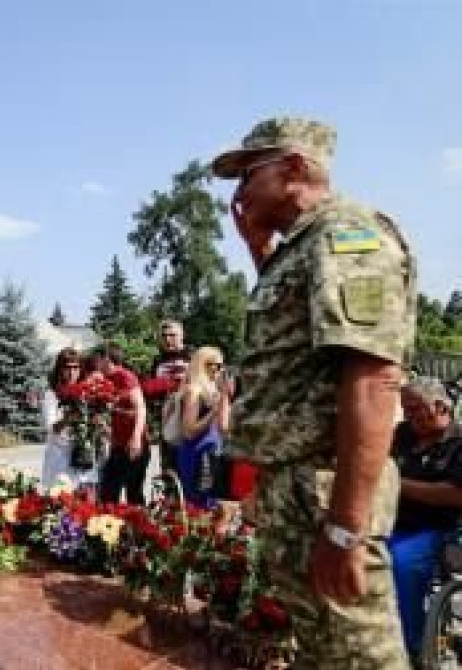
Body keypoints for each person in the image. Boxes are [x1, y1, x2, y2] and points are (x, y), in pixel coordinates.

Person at [212, 116, 416, 669]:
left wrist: (346, 527)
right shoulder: (299, 247)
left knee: (361, 657)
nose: (238, 193)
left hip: (328, 488)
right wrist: (259, 253)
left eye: (248, 173)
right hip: (300, 488)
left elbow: (372, 377)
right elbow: (294, 347)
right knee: (322, 651)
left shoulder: (346, 235)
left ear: (296, 168)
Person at [389, 378, 462, 663]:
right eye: (405, 410)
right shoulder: (403, 434)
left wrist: (398, 484)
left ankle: (412, 646)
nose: (408, 417)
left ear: (441, 407)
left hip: (437, 528)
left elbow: (456, 496)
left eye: (414, 409)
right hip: (391, 521)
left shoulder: (458, 443)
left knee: (400, 561)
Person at [175, 346, 232, 509]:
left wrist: (225, 397)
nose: (221, 370)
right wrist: (214, 411)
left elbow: (224, 426)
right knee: (199, 506)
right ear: (204, 365)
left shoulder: (212, 389)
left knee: (212, 504)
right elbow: (189, 431)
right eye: (218, 365)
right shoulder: (194, 390)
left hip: (212, 451)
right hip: (197, 454)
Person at [96, 342, 148, 505]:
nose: (96, 363)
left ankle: (140, 528)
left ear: (106, 358)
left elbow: (140, 408)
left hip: (134, 443)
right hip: (117, 445)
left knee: (133, 492)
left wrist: (136, 438)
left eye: (98, 358)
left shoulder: (126, 376)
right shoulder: (104, 379)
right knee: (108, 492)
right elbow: (110, 411)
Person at [40, 348, 100, 490]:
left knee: (86, 504)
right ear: (60, 369)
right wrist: (68, 418)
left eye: (76, 367)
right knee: (60, 502)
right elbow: (51, 428)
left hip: (83, 456)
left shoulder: (87, 392)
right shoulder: (52, 395)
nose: (72, 372)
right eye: (67, 367)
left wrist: (97, 422)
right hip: (60, 457)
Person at [144, 319, 193, 474]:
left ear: (182, 336)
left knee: (190, 471)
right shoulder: (157, 361)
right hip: (167, 422)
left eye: (172, 335)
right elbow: (151, 391)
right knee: (169, 470)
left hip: (191, 420)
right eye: (164, 336)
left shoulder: (193, 356)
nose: (168, 339)